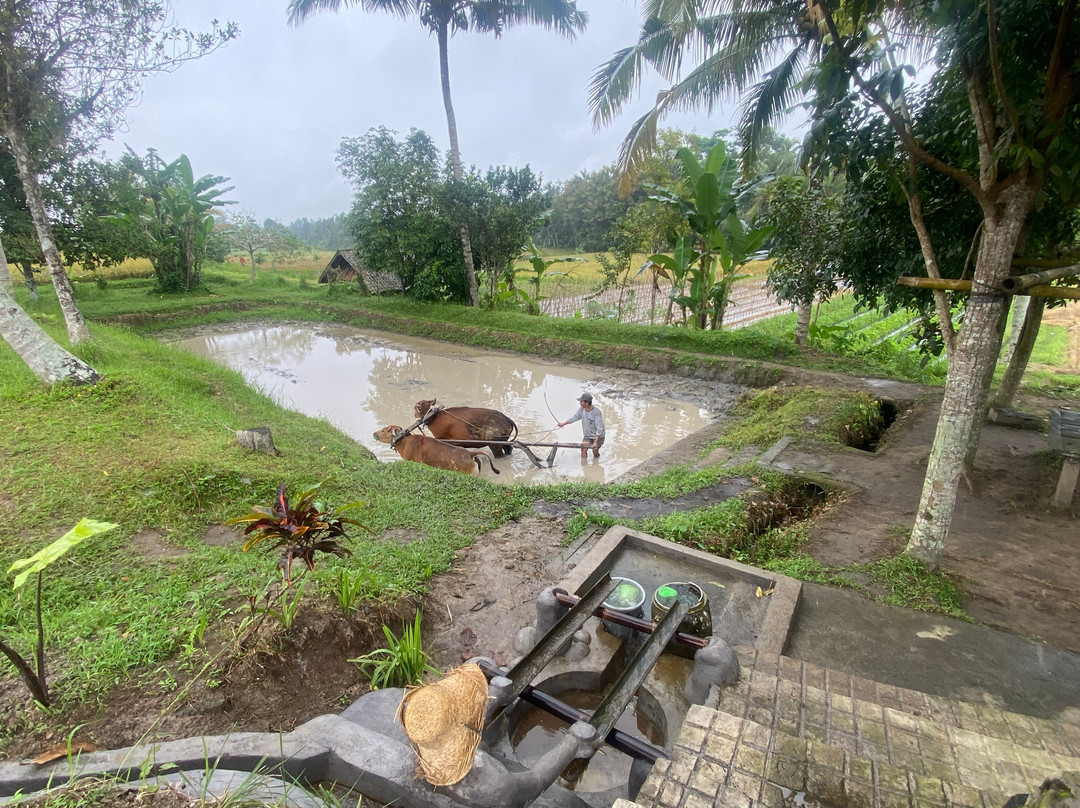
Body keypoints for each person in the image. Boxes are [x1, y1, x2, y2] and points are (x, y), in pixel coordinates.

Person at [558, 392, 605, 459]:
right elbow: (575, 417)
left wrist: (595, 442)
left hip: (598, 436)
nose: (580, 403)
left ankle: (596, 461)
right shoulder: (582, 409)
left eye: (581, 401)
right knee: (583, 449)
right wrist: (563, 424)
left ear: (586, 403)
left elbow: (599, 428)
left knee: (595, 451)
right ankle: (584, 467)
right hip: (588, 435)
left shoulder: (596, 412)